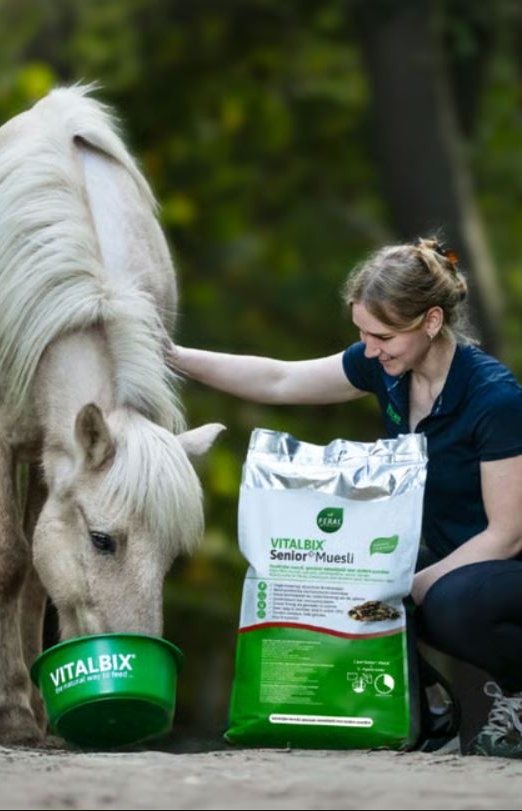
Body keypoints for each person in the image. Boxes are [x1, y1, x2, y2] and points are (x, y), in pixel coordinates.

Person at [168, 237, 522, 758]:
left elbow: (506, 535)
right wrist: (172, 355)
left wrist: (408, 586)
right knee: (336, 572)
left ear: (429, 321)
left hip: (501, 567)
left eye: (381, 336)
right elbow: (280, 378)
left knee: (439, 603)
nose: (370, 348)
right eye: (362, 333)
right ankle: (427, 710)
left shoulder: (494, 398)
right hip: (456, 560)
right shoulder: (388, 369)